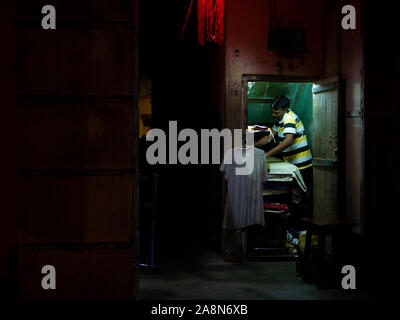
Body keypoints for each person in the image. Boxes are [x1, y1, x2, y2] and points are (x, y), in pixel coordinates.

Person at [255, 96, 313, 216]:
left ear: (286, 109)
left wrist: (267, 154)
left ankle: (304, 229)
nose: (273, 115)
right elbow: (270, 137)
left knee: (302, 198)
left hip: (302, 165)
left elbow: (288, 141)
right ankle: (295, 229)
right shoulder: (280, 119)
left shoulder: (289, 118)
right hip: (292, 165)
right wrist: (253, 144)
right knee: (294, 197)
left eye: (276, 112)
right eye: (272, 112)